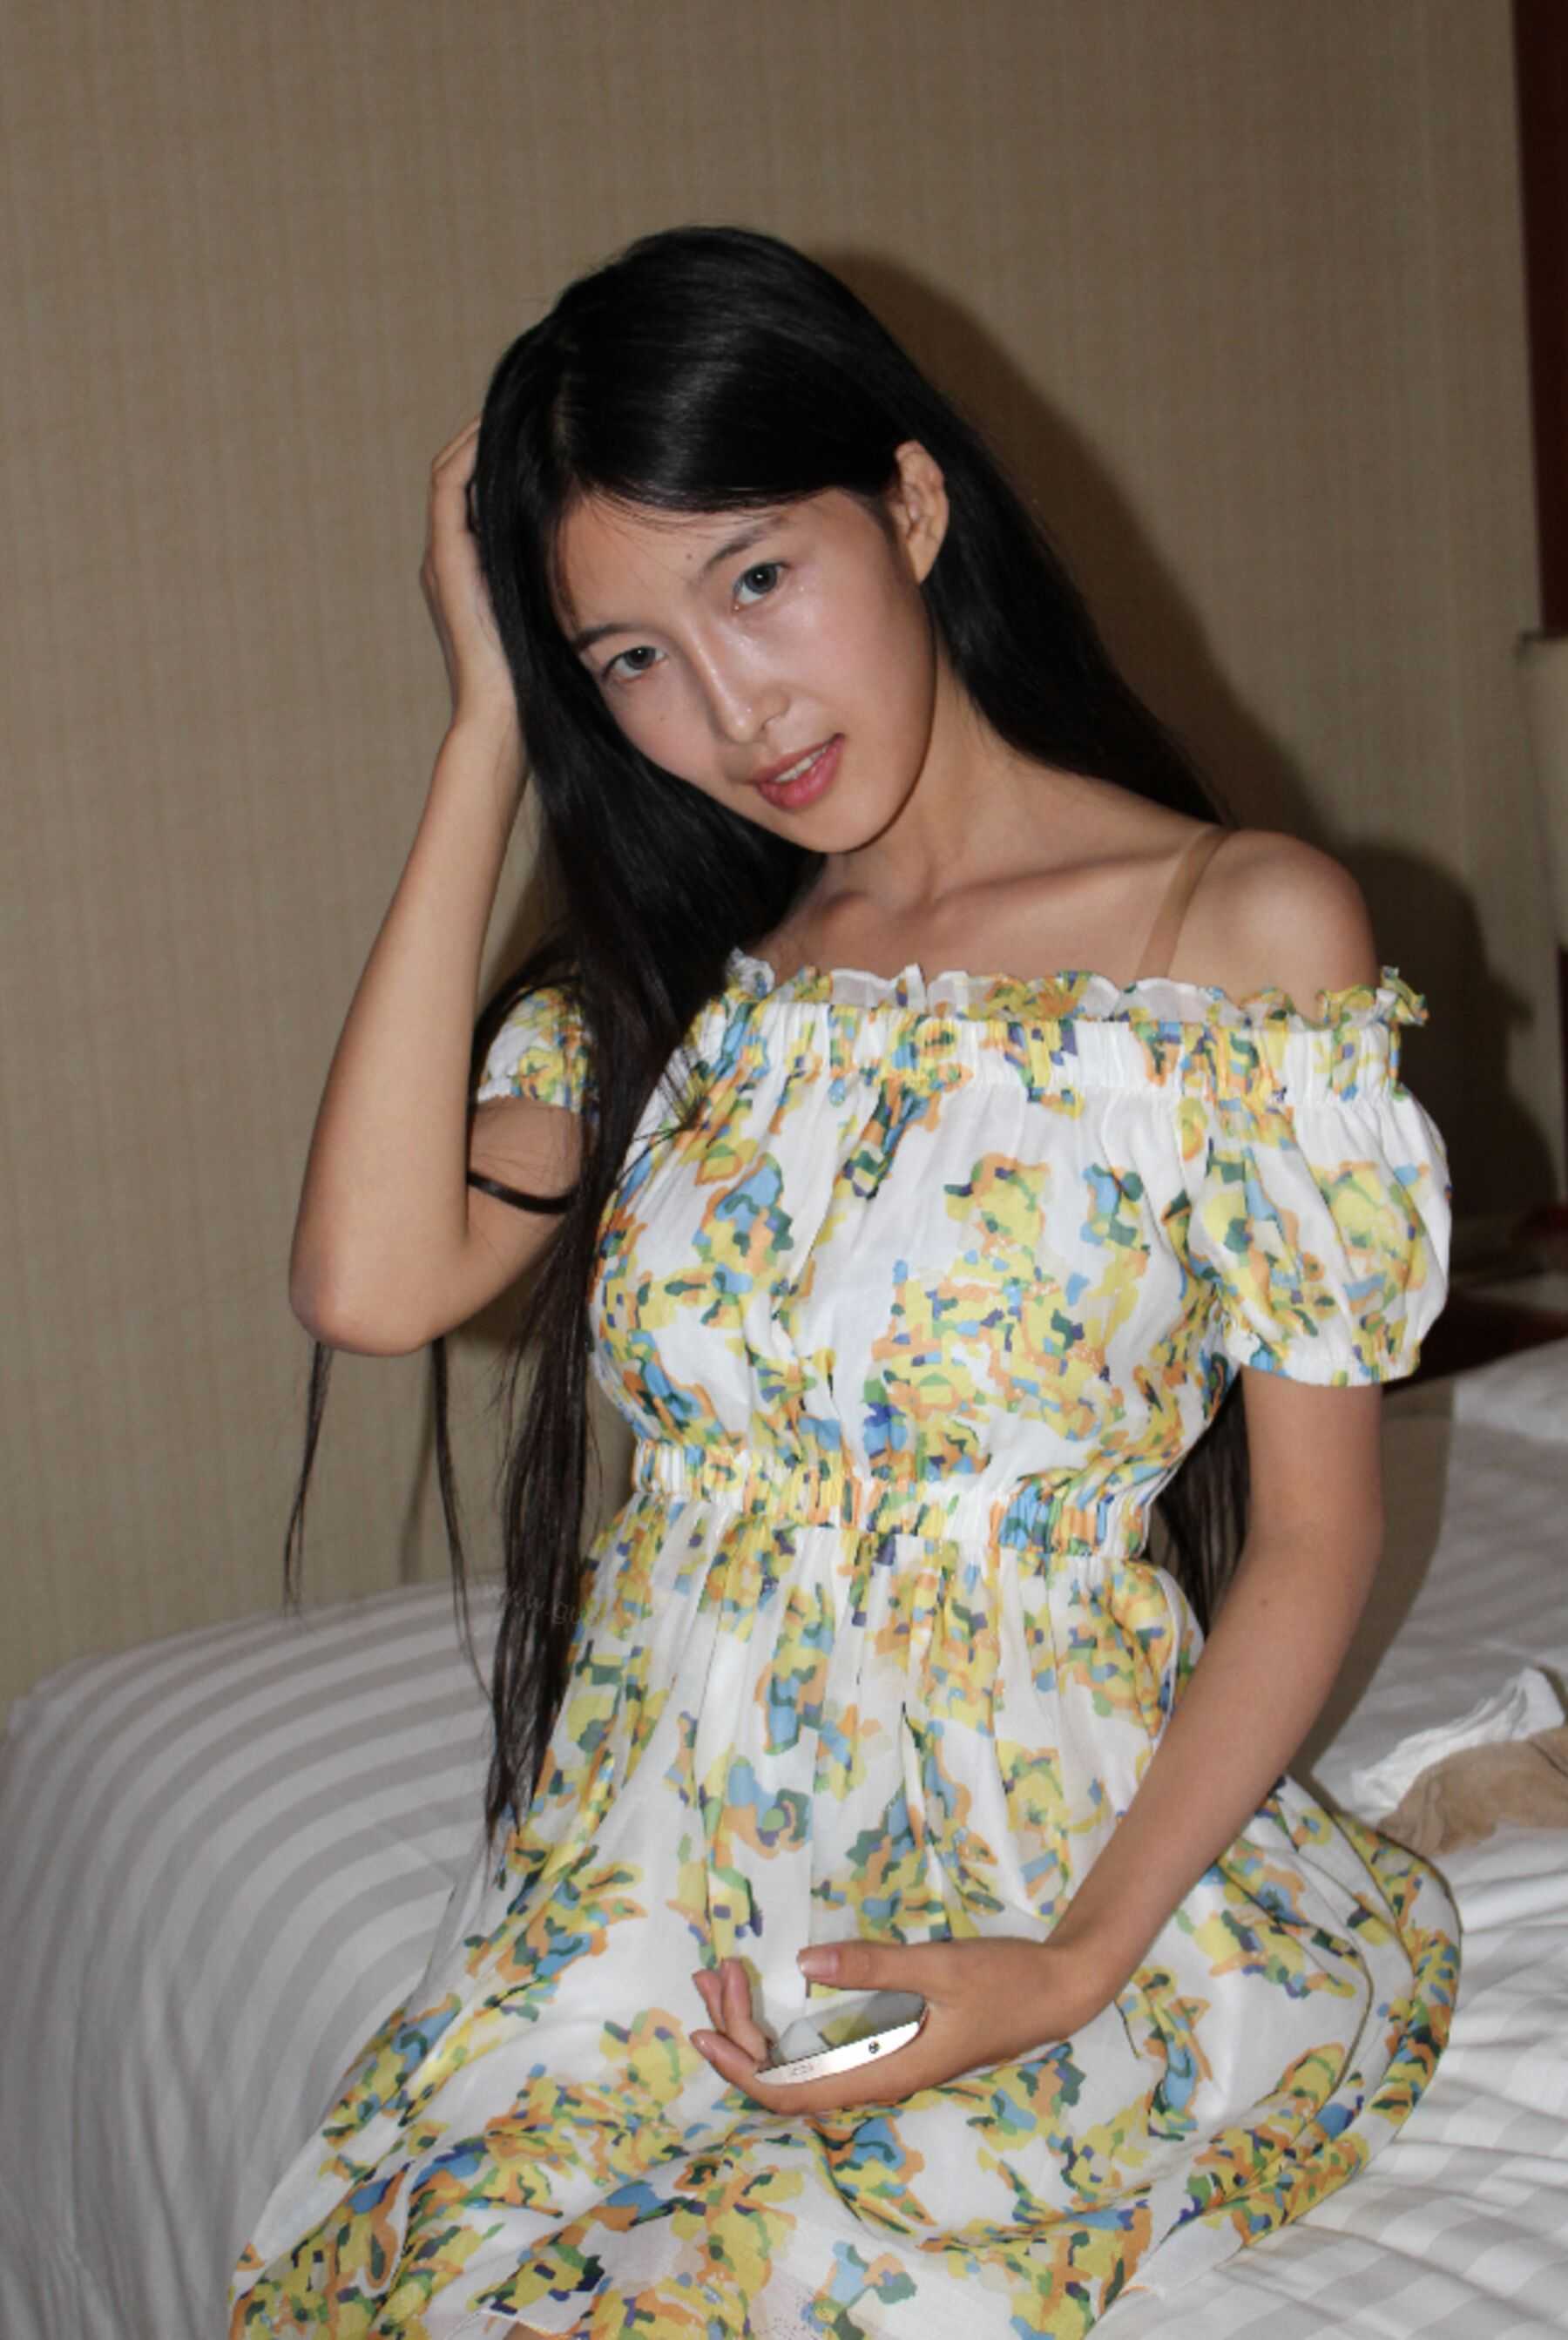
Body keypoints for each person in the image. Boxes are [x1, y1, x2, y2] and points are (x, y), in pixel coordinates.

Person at [228, 225, 1456, 2339]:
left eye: (757, 581)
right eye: (628, 657)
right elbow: (365, 1276)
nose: (733, 713)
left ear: (909, 501)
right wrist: (487, 725)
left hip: (1041, 1874)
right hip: (651, 1882)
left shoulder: (1234, 935)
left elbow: (1313, 1532)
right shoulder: (685, 986)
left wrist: (1069, 1963)